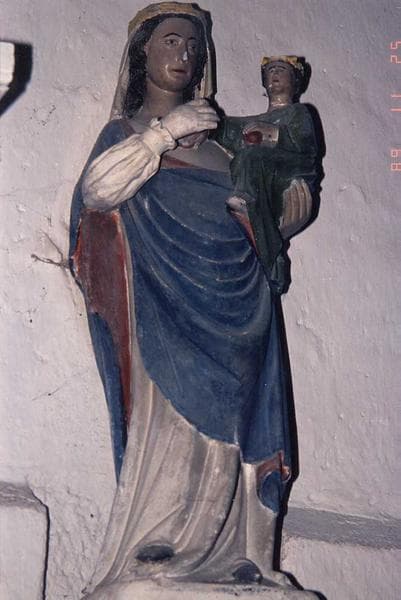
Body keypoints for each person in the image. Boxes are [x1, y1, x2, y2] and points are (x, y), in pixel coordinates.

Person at [69, 3, 312, 596]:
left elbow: (259, 212)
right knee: (174, 415)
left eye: (193, 45)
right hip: (166, 300)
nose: (184, 54)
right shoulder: (127, 134)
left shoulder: (227, 150)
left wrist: (286, 212)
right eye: (171, 41)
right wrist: (164, 133)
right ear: (142, 55)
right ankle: (162, 539)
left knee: (244, 418)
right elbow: (99, 191)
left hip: (243, 300)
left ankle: (241, 553)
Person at [215, 56, 318, 295]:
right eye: (270, 71)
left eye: (281, 70)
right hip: (264, 181)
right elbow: (225, 129)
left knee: (252, 155)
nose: (275, 75)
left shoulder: (298, 113)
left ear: (296, 81)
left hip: (293, 171)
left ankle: (246, 198)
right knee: (249, 158)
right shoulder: (253, 122)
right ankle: (272, 260)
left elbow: (305, 144)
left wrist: (272, 134)